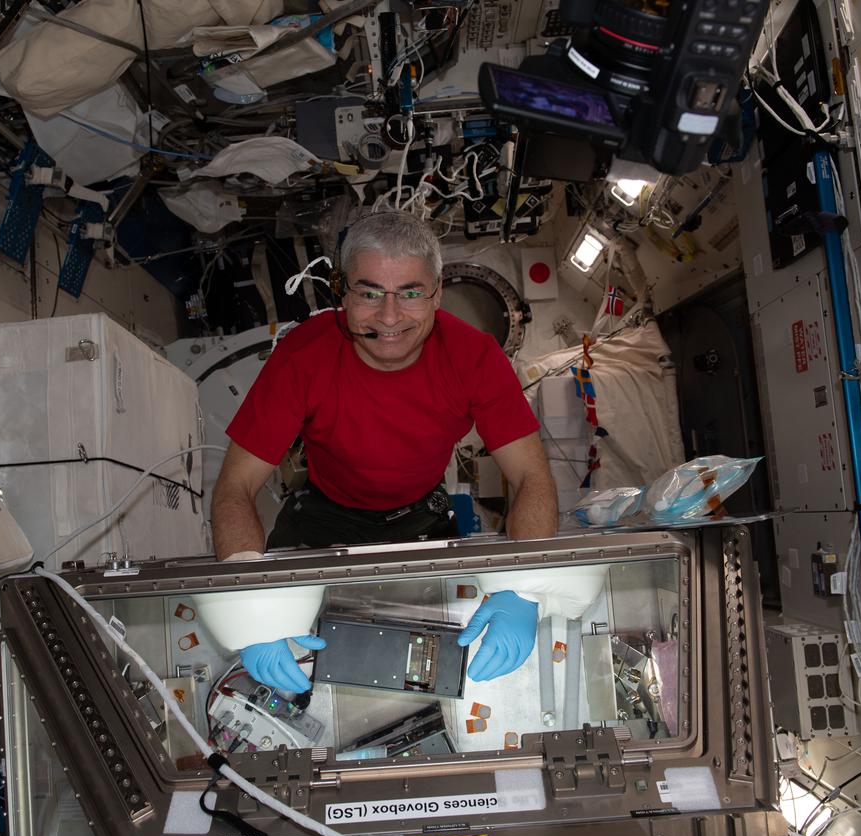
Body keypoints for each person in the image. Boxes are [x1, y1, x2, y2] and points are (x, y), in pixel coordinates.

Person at [196, 211, 580, 694]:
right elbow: (235, 486)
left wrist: (522, 587)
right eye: (370, 293)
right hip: (321, 515)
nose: (390, 317)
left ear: (438, 293)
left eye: (411, 293)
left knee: (431, 664)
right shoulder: (302, 356)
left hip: (421, 516)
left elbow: (531, 477)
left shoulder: (476, 358)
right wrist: (249, 607)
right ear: (342, 294)